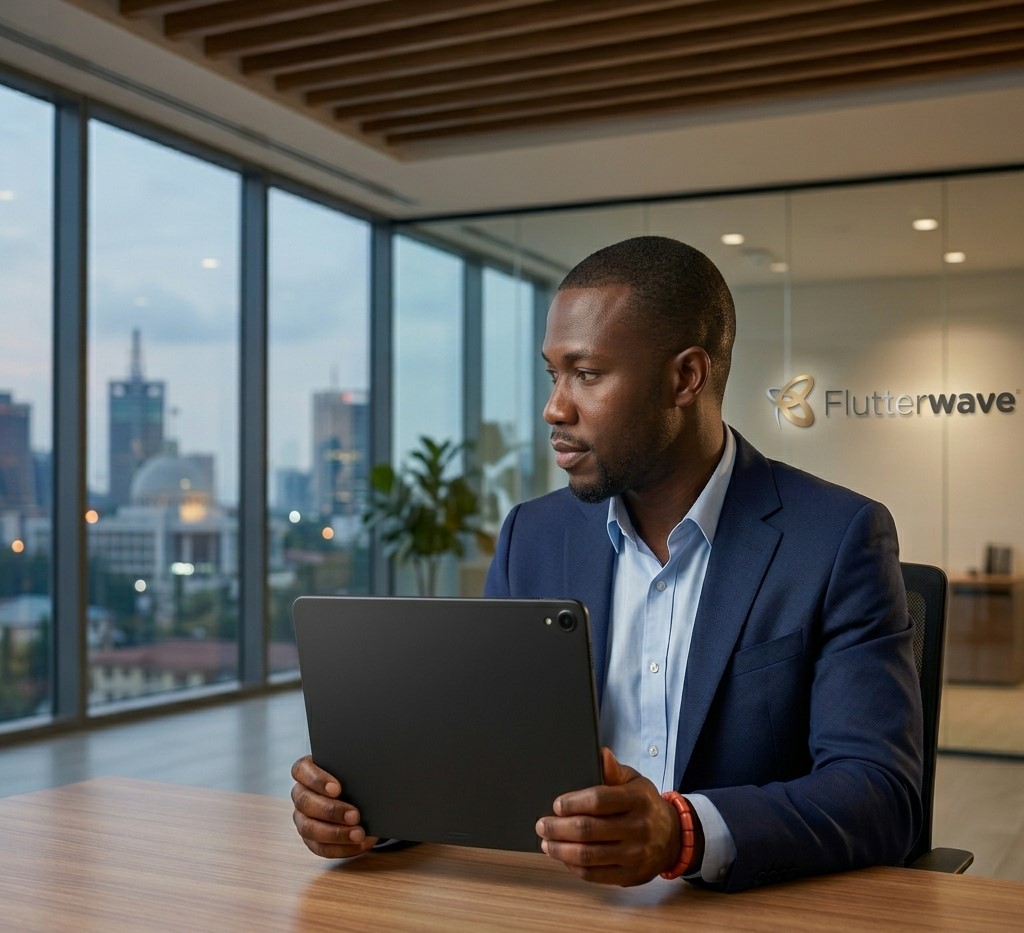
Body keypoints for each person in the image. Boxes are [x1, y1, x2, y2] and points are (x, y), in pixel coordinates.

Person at [291, 236, 924, 893]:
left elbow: (880, 792)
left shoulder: (837, 536)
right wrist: (369, 810)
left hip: (742, 907)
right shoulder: (530, 535)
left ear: (686, 377)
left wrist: (680, 833)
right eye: (552, 374)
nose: (554, 408)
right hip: (561, 902)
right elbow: (481, 753)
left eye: (587, 374)